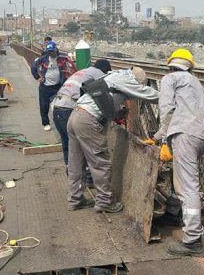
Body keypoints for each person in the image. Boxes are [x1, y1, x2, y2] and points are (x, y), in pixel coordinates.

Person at [67, 67, 158, 212]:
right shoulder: (128, 80)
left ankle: (75, 199)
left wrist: (117, 113)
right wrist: (172, 97)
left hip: (75, 116)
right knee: (100, 163)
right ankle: (104, 202)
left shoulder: (111, 76)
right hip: (87, 121)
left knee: (76, 162)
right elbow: (147, 94)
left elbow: (102, 101)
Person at [152, 49, 204, 258]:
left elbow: (167, 110)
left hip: (185, 135)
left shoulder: (169, 79)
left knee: (188, 187)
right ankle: (174, 214)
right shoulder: (195, 81)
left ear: (170, 66)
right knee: (181, 180)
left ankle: (193, 240)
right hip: (202, 137)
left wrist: (160, 138)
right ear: (189, 67)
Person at [53, 59, 112, 166]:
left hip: (57, 107)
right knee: (81, 146)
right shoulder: (99, 73)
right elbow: (107, 90)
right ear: (105, 70)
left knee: (67, 143)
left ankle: (70, 170)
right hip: (68, 109)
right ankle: (85, 173)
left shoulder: (84, 71)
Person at [30, 41, 76, 130]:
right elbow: (33, 67)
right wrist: (37, 77)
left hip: (58, 87)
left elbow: (70, 62)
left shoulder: (62, 58)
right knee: (44, 106)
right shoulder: (43, 59)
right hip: (45, 87)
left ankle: (59, 122)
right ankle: (45, 123)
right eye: (49, 51)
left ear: (56, 49)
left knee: (59, 105)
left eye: (52, 51)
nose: (51, 53)